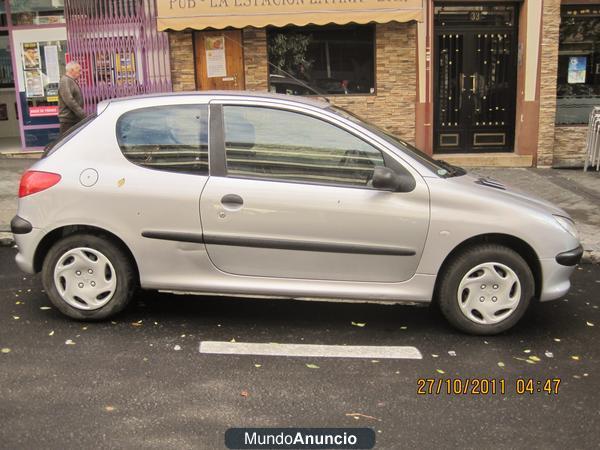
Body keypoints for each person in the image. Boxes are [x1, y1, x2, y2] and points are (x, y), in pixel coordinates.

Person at [58, 61, 86, 135]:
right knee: (65, 143)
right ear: (71, 70)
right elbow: (69, 100)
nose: (80, 73)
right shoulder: (65, 81)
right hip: (68, 120)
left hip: (73, 119)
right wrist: (82, 114)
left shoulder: (70, 80)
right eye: (79, 70)